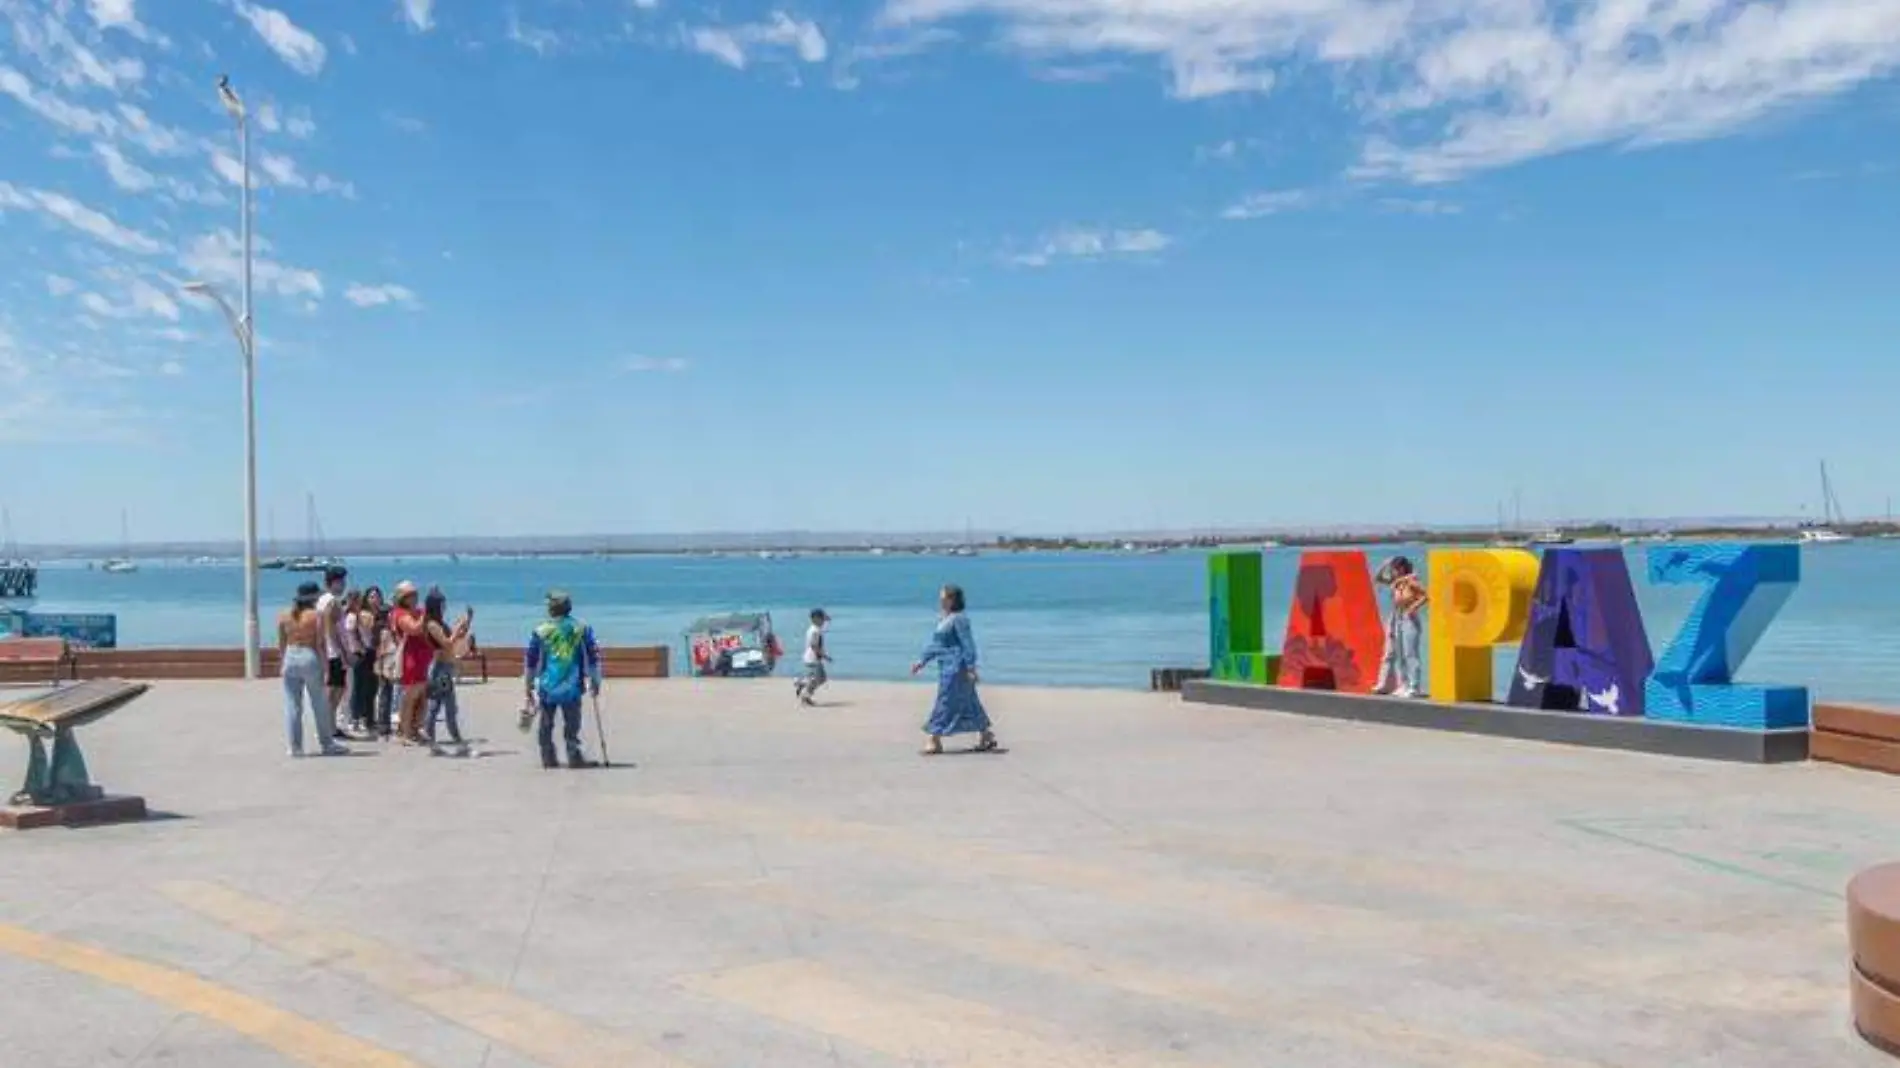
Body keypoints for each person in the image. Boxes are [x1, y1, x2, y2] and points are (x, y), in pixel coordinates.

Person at [910, 584, 999, 755]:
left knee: (945, 701)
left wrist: (971, 667)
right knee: (969, 701)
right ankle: (986, 735)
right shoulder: (944, 619)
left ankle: (934, 739)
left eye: (943, 597)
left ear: (951, 599)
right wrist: (922, 661)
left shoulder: (959, 619)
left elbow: (968, 644)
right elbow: (936, 645)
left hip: (957, 668)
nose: (940, 600)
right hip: (946, 666)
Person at [524, 589, 602, 769]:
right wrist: (595, 679)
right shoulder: (581, 629)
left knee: (546, 722)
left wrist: (528, 685)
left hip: (547, 684)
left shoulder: (541, 631)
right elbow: (592, 656)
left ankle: (547, 756)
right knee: (572, 723)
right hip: (572, 684)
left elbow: (531, 660)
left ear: (551, 609)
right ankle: (574, 754)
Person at [278, 581, 347, 757]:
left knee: (292, 704)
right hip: (309, 656)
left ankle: (294, 746)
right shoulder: (316, 615)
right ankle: (327, 743)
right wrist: (326, 668)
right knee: (319, 703)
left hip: (290, 656)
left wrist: (282, 662)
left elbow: (281, 643)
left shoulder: (284, 615)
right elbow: (320, 644)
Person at [422, 587, 474, 755]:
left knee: (443, 705)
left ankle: (436, 741)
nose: (445, 607)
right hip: (440, 669)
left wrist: (466, 623)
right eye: (442, 604)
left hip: (446, 668)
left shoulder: (440, 623)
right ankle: (453, 742)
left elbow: (455, 638)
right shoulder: (431, 624)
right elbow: (446, 643)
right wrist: (457, 629)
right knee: (441, 706)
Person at [1374, 555, 1429, 697]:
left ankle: (1414, 686)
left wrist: (1413, 607)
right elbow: (1378, 578)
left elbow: (1425, 595)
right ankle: (1403, 684)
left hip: (1409, 617)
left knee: (1410, 653)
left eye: (1395, 569)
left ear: (1402, 568)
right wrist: (1385, 564)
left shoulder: (1411, 581)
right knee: (1400, 653)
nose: (1394, 571)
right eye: (1393, 569)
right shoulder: (1397, 582)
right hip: (1398, 617)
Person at [389, 581, 433, 744]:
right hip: (411, 658)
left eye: (415, 594)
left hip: (423, 658)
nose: (414, 598)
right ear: (403, 598)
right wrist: (425, 614)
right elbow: (414, 628)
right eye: (410, 595)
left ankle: (415, 728)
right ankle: (405, 732)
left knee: (421, 697)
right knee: (410, 697)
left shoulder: (418, 611)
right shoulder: (400, 614)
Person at [315, 565, 351, 739]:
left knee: (336, 690)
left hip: (330, 652)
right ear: (333, 582)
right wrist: (342, 652)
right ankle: (328, 728)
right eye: (341, 581)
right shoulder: (331, 602)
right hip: (334, 653)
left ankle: (330, 726)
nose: (344, 585)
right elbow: (332, 630)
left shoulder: (322, 600)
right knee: (335, 691)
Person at [340, 589, 372, 733]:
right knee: (356, 689)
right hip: (357, 654)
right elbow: (352, 635)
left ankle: (356, 718)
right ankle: (354, 719)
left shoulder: (354, 615)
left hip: (359, 653)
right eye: (357, 600)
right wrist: (362, 648)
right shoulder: (352, 617)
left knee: (359, 688)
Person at [793, 608, 831, 706]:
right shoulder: (815, 631)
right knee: (817, 679)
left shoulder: (815, 629)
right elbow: (814, 645)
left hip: (813, 658)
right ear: (815, 619)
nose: (823, 622)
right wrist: (824, 656)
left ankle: (802, 684)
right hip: (812, 659)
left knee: (821, 678)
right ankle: (806, 696)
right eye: (822, 619)